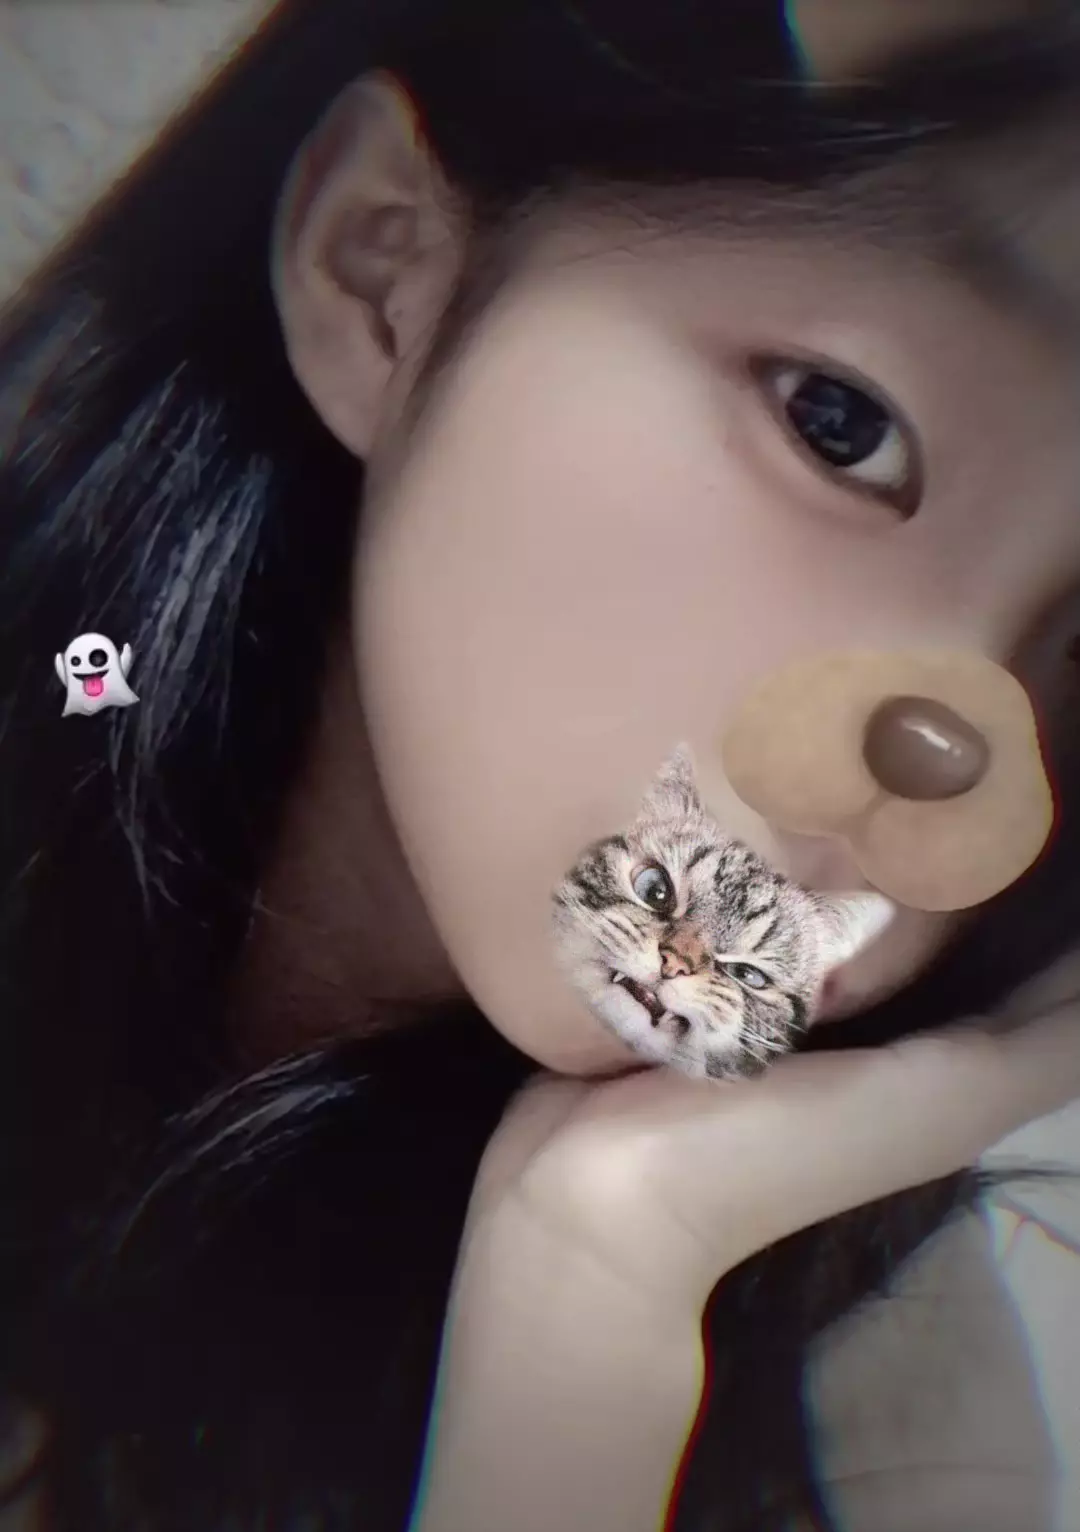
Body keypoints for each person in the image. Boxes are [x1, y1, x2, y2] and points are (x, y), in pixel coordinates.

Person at [1, 2, 1079, 1529]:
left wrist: (583, 1320)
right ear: (383, 271)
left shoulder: (883, 1415)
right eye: (839, 424)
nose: (946, 773)